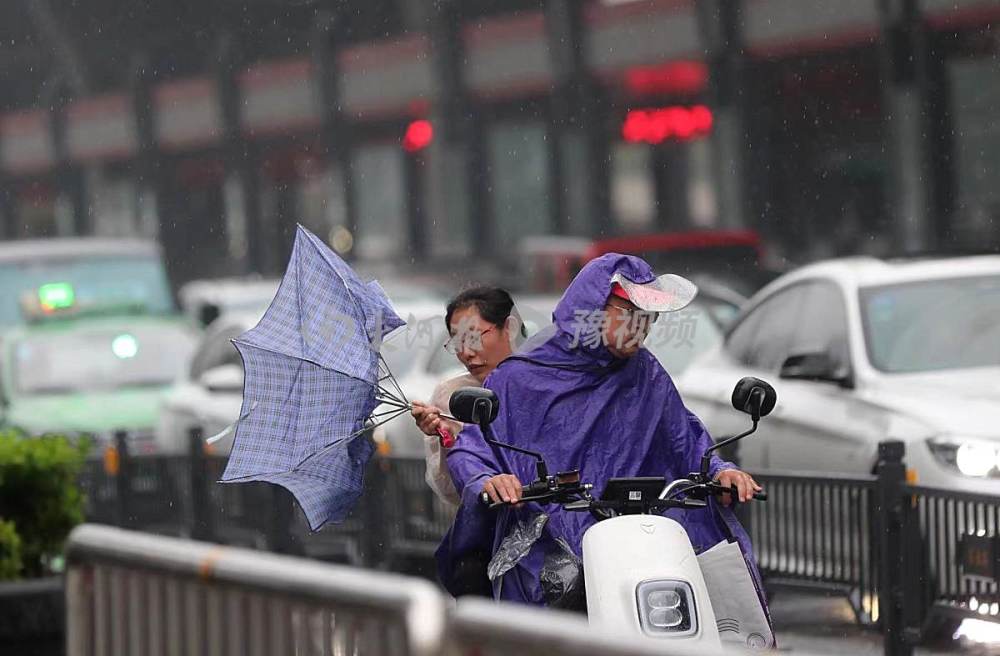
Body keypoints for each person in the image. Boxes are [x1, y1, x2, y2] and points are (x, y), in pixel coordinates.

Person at [437, 253, 767, 611]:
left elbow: (685, 438)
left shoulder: (645, 373)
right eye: (628, 314)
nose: (640, 328)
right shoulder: (519, 376)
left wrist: (721, 471)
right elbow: (473, 449)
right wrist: (489, 479)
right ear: (592, 308)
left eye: (648, 318)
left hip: (643, 543)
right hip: (550, 547)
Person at [410, 285, 525, 506]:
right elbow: (450, 492)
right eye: (457, 342)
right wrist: (444, 440)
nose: (466, 353)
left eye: (473, 338)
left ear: (508, 328)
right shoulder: (452, 396)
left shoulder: (545, 385)